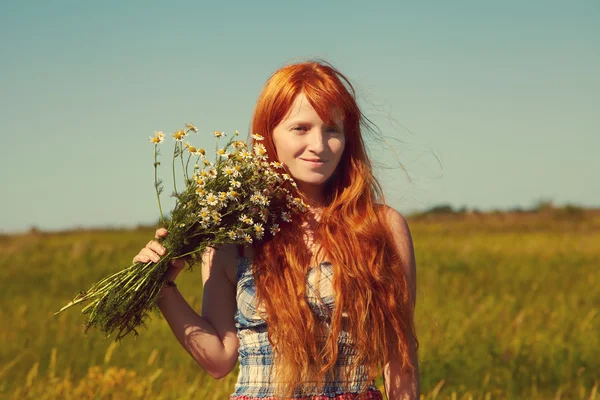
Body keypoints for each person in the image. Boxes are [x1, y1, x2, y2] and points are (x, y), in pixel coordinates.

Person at [133, 60, 419, 399]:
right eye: (300, 128)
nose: (319, 145)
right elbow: (219, 360)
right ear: (268, 134)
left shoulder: (380, 226)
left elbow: (399, 356)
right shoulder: (231, 238)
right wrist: (162, 284)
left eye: (332, 130)